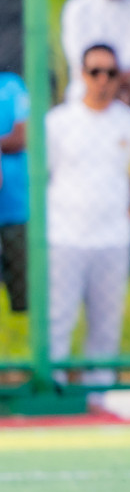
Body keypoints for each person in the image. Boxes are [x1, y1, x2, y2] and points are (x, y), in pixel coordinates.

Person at [46, 44, 130, 389]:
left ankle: (99, 394)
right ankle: (54, 388)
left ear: (119, 77)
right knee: (58, 319)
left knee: (106, 324)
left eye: (110, 73)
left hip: (112, 237)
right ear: (82, 74)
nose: (103, 80)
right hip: (64, 235)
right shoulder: (57, 123)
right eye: (95, 72)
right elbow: (45, 174)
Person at [0, 68, 29, 312]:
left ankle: (26, 344)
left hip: (15, 206)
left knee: (23, 291)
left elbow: (22, 136)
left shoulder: (12, 86)